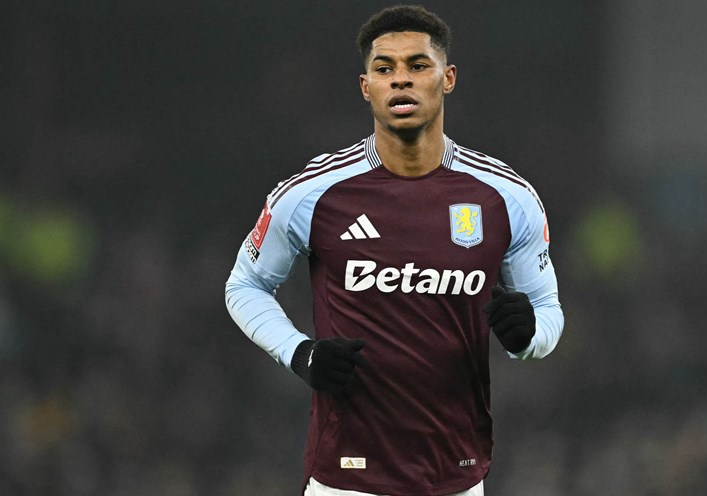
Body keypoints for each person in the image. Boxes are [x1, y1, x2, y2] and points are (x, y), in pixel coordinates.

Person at [225, 5, 564, 496]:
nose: (400, 80)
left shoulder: (507, 196)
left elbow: (548, 310)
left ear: (447, 78)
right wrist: (299, 353)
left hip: (459, 477)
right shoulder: (311, 193)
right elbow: (245, 284)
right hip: (346, 478)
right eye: (385, 69)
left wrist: (529, 334)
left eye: (417, 66)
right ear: (367, 87)